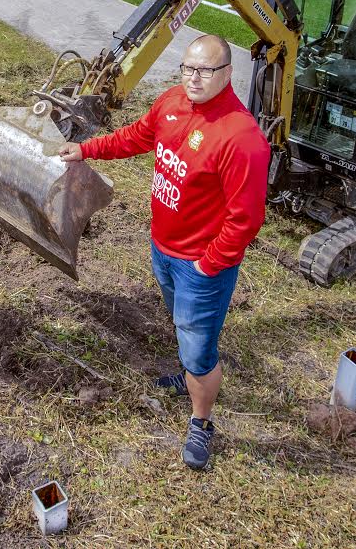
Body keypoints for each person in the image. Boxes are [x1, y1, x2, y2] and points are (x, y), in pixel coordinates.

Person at [60, 35, 269, 469]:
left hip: (201, 267)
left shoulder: (240, 137)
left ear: (228, 74)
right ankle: (192, 372)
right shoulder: (173, 101)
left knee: (198, 347)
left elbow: (244, 220)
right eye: (188, 68)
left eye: (206, 70)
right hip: (164, 249)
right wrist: (86, 149)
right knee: (183, 326)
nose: (194, 77)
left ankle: (201, 420)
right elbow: (137, 136)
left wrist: (208, 265)